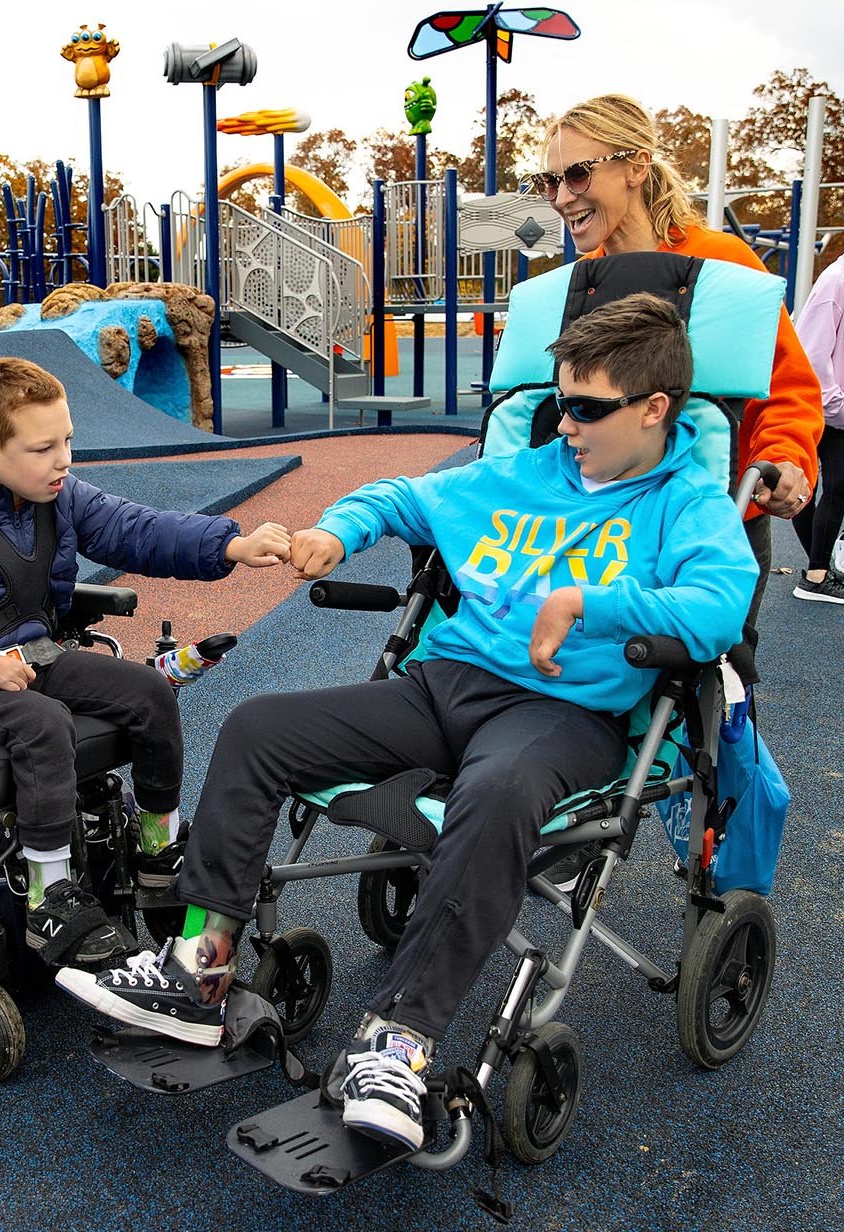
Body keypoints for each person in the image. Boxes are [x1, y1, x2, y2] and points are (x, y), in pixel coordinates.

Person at [58, 295, 758, 1151]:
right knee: (256, 726)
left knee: (498, 790)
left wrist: (588, 601)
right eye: (559, 400)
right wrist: (338, 528)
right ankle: (201, 966)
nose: (565, 424)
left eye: (586, 407)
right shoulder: (523, 472)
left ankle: (398, 1044)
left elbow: (720, 607)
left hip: (564, 716)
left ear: (655, 408)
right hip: (445, 687)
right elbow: (399, 495)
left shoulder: (689, 504)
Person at [0, 357, 290, 967]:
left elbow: (138, 530)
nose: (63, 460)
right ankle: (47, 897)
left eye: (68, 441)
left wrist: (232, 545)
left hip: (32, 655)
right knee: (43, 724)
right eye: (44, 448)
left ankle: (155, 850)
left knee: (149, 692)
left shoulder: (54, 494)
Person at [532, 94, 823, 640]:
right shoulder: (576, 283)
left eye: (575, 175)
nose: (561, 198)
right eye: (549, 182)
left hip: (712, 524)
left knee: (709, 687)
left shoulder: (722, 262)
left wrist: (784, 459)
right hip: (605, 524)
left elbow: (784, 386)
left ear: (636, 166)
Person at [791, 255, 844, 603]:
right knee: (828, 484)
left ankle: (819, 567)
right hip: (821, 402)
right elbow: (810, 356)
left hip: (833, 402)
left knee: (833, 484)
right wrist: (837, 405)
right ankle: (815, 575)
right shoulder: (835, 283)